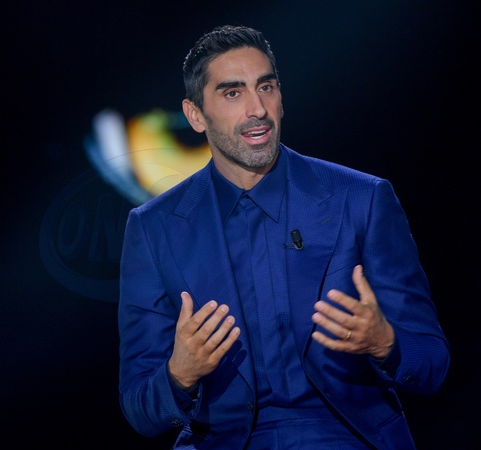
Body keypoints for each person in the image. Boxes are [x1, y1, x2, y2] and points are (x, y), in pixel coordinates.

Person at [117, 25, 450, 449]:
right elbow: (139, 407)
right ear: (195, 115)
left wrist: (386, 343)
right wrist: (179, 374)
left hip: (343, 435)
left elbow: (433, 362)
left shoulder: (362, 199)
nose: (257, 109)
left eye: (266, 87)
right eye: (233, 93)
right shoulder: (154, 227)